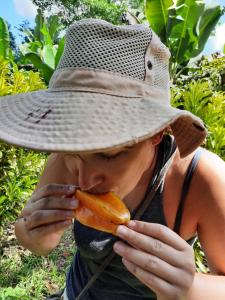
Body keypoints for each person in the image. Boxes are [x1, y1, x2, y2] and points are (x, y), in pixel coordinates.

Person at [0, 18, 225, 300]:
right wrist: (35, 236)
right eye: (73, 151)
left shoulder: (202, 178)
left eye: (107, 154)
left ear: (156, 133)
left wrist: (192, 287)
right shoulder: (66, 158)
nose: (82, 180)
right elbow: (35, 239)